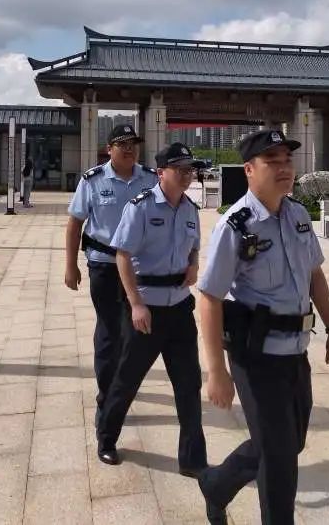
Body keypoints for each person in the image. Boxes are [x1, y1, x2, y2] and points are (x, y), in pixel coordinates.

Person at [196, 129, 329, 525]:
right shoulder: (235, 225)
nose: (284, 168)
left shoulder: (298, 215)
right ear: (249, 169)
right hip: (255, 355)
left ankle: (216, 485)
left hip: (295, 352)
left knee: (288, 442)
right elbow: (209, 298)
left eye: (287, 160)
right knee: (279, 461)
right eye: (272, 161)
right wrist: (216, 371)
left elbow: (314, 275)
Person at [96, 142, 208, 474]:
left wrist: (193, 264)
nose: (187, 176)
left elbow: (194, 246)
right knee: (127, 380)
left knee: (189, 385)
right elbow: (122, 255)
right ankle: (107, 439)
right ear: (161, 172)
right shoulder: (141, 207)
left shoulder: (190, 209)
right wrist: (135, 304)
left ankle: (192, 459)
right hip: (146, 310)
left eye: (190, 170)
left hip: (180, 309)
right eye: (180, 170)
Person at [65, 124, 157, 428]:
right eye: (122, 144)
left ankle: (122, 387)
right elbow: (75, 224)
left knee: (134, 334)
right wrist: (70, 265)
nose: (129, 149)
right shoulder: (93, 180)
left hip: (139, 269)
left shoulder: (150, 179)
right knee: (109, 332)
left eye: (133, 144)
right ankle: (107, 400)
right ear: (109, 149)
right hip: (104, 266)